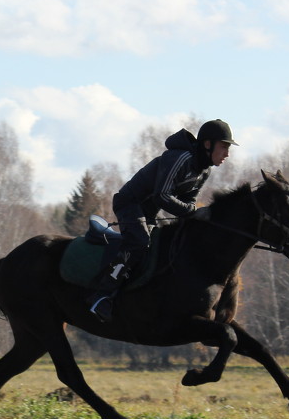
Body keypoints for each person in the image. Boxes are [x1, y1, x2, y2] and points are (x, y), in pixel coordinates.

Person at [89, 118, 237, 322]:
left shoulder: (204, 170)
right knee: (140, 242)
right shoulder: (181, 158)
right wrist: (193, 212)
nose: (227, 154)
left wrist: (197, 218)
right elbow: (163, 196)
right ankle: (102, 295)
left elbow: (188, 202)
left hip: (153, 211)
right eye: (224, 147)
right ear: (207, 144)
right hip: (130, 203)